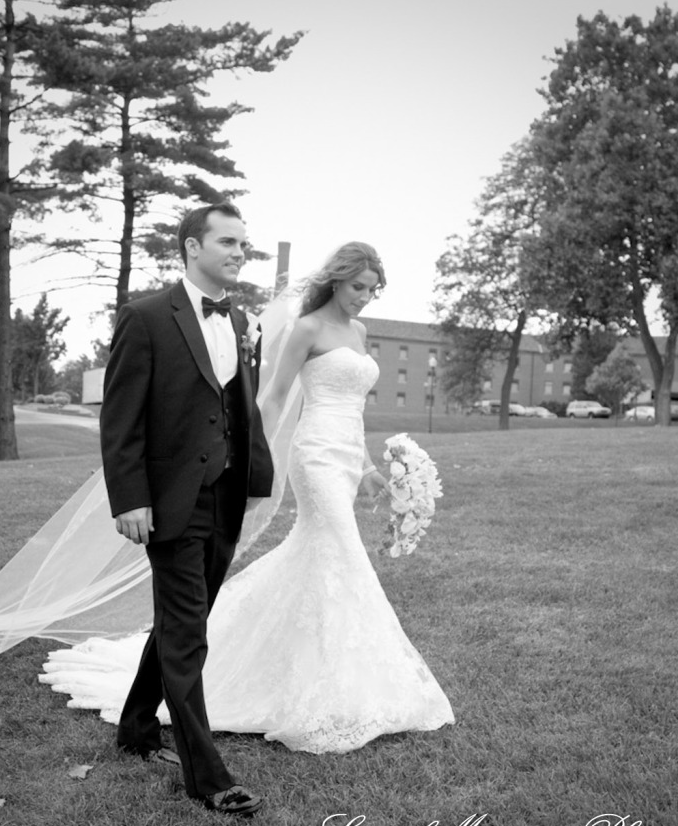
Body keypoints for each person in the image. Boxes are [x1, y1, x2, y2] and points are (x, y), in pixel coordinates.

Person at [40, 242, 454, 759]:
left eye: (372, 290)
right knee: (344, 553)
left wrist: (368, 465)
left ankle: (321, 670)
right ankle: (330, 687)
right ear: (336, 281)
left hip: (347, 457)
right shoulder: (307, 328)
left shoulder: (361, 332)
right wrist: (255, 458)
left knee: (322, 559)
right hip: (315, 456)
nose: (364, 297)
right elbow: (273, 396)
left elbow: (354, 409)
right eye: (357, 287)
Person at [99, 202, 275, 818]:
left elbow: (242, 406)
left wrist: (256, 476)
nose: (239, 253)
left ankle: (136, 727)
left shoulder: (242, 320)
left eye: (243, 244)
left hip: (224, 495)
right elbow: (120, 418)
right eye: (227, 242)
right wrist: (130, 498)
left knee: (183, 619)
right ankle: (209, 777)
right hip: (171, 499)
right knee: (186, 630)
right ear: (192, 247)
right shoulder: (146, 317)